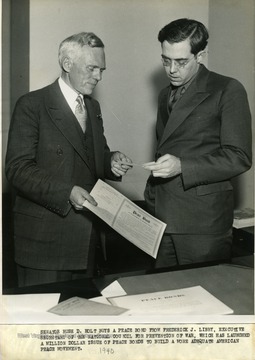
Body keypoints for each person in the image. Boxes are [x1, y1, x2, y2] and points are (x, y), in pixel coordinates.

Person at [5, 32, 132, 286]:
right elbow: (17, 169)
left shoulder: (92, 108)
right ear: (67, 64)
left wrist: (111, 162)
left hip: (87, 242)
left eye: (102, 69)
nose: (99, 76)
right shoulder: (32, 104)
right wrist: (67, 192)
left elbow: (92, 158)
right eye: (92, 68)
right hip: (45, 245)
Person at [143, 18, 252, 268]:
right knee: (164, 295)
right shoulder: (164, 95)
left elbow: (239, 156)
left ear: (201, 55)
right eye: (165, 60)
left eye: (181, 62)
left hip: (203, 222)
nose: (171, 69)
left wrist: (183, 166)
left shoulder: (228, 89)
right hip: (161, 216)